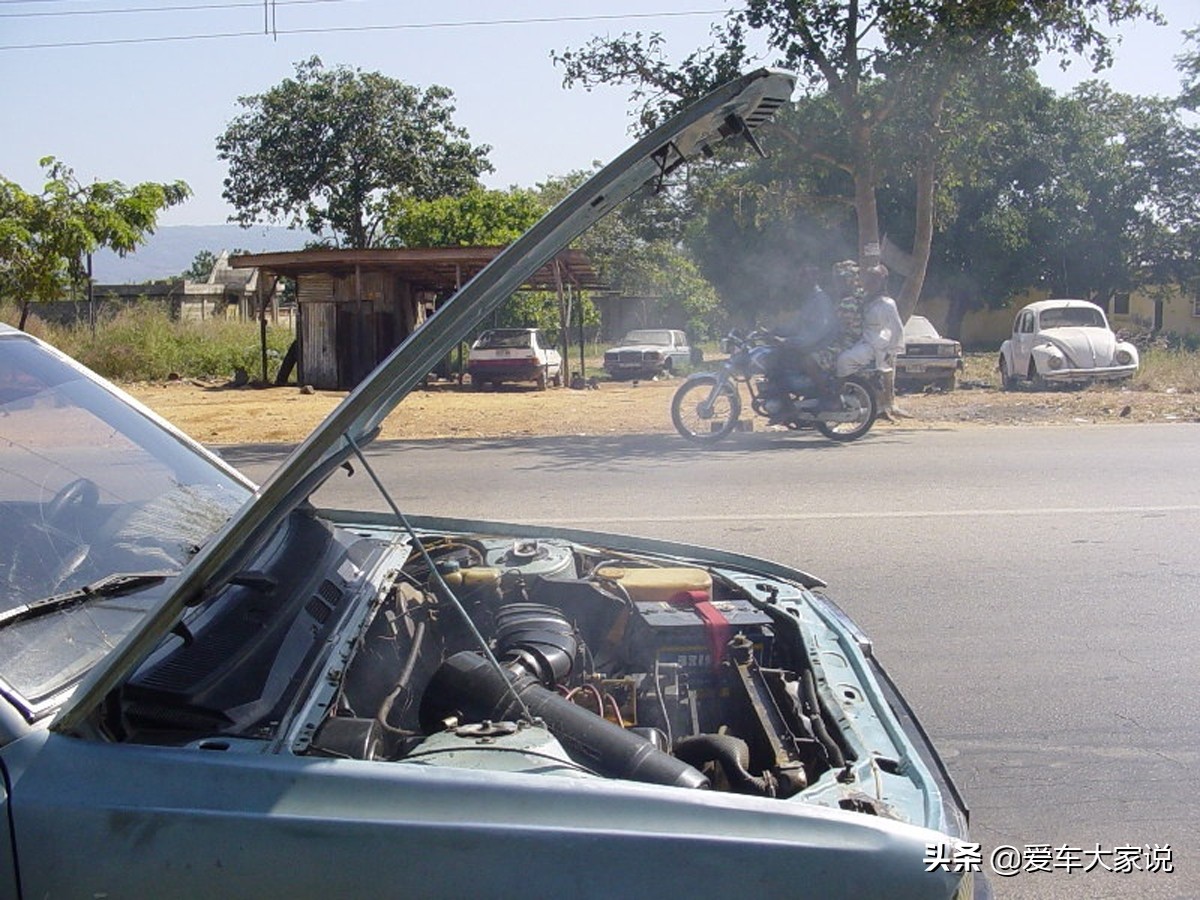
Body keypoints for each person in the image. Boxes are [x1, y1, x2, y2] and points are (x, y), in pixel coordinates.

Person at [836, 264, 907, 419]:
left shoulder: (887, 303)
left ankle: (882, 406)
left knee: (844, 361)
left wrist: (891, 351)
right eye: (868, 279)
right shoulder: (865, 299)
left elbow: (897, 328)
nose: (870, 282)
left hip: (877, 345)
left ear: (882, 281)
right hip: (864, 341)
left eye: (874, 279)